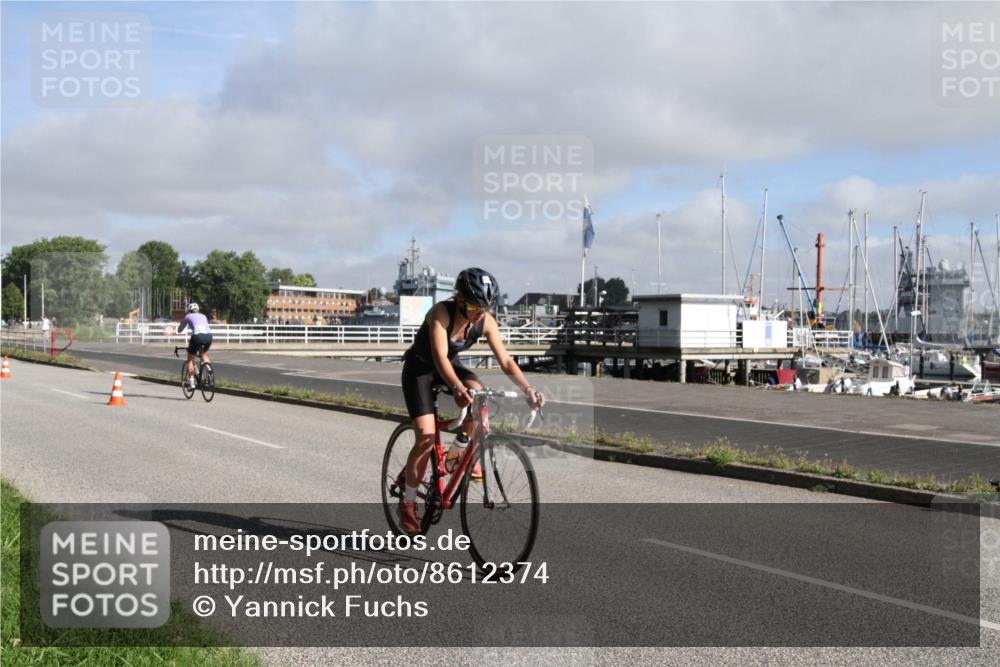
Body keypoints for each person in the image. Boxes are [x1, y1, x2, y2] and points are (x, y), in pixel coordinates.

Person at [397, 267, 544, 535]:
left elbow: (506, 361)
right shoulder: (441, 313)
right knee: (426, 437)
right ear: (460, 299)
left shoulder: (485, 321)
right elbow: (440, 357)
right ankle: (407, 504)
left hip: (450, 367)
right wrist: (455, 387)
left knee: (480, 394)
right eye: (475, 307)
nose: (480, 314)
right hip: (420, 370)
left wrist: (528, 389)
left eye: (485, 308)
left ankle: (457, 453)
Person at [177, 302, 212, 388]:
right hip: (208, 336)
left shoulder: (188, 316)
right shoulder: (204, 316)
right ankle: (209, 370)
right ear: (198, 310)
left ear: (189, 310)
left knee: (190, 359)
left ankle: (192, 383)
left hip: (196, 336)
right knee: (203, 353)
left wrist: (183, 321)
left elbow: (180, 330)